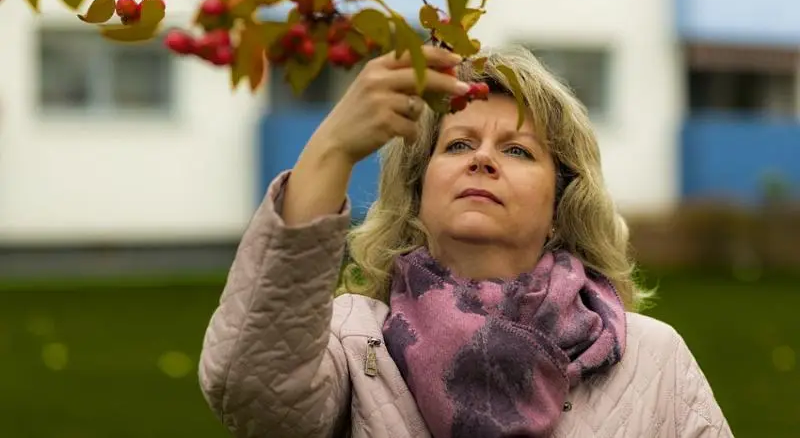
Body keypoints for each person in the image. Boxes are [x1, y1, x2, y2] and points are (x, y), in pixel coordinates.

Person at [198, 44, 733, 438]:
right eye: (457, 144)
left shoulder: (652, 358)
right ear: (418, 194)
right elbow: (254, 391)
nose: (482, 159)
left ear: (559, 207)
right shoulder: (351, 339)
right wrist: (333, 148)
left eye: (517, 151)